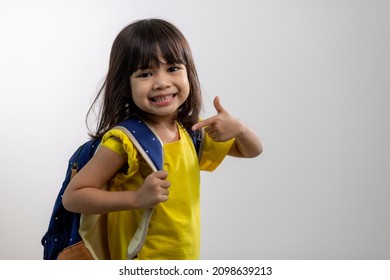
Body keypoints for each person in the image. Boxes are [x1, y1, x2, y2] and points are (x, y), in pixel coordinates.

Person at [62, 18, 262, 260]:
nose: (161, 83)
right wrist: (136, 198)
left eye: (173, 68)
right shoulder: (125, 141)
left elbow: (252, 150)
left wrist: (239, 129)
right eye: (145, 73)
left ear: (189, 72)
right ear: (125, 85)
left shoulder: (192, 131)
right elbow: (73, 197)